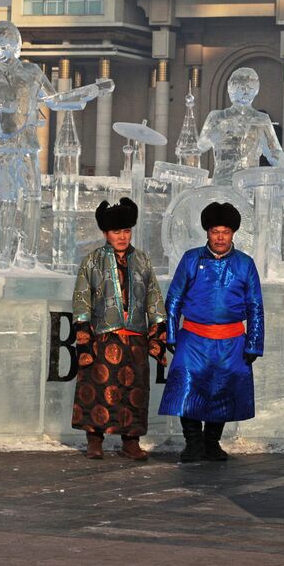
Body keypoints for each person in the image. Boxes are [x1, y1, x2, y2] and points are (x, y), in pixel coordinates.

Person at [0, 21, 113, 268]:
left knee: (33, 195)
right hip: (0, 142)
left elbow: (55, 100)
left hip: (26, 141)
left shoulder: (31, 72)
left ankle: (27, 254)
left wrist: (91, 91)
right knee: (7, 197)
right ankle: (1, 255)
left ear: (15, 45)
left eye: (1, 45)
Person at [159, 201, 264, 462]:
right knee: (188, 388)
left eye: (225, 232)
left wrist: (253, 343)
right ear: (207, 232)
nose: (220, 237)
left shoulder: (244, 264)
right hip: (193, 337)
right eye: (215, 231)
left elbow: (255, 306)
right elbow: (174, 298)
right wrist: (171, 333)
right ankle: (193, 443)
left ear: (233, 234)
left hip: (231, 340)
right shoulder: (191, 259)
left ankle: (212, 443)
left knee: (224, 391)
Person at [71, 197, 166, 461]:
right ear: (105, 233)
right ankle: (94, 440)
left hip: (135, 338)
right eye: (116, 232)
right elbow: (81, 298)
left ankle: (131, 441)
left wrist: (157, 333)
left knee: (134, 392)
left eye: (126, 231)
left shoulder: (143, 261)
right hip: (104, 337)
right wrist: (84, 335)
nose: (122, 237)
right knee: (99, 389)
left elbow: (154, 298)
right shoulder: (92, 261)